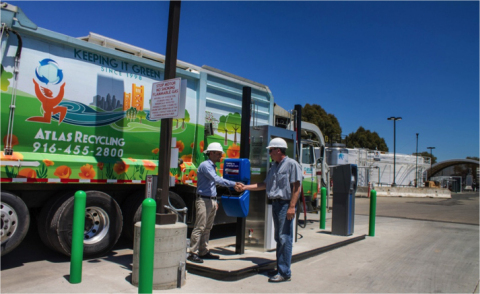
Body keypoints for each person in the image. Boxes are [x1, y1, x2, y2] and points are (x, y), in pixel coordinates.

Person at [235, 137, 302, 283]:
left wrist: (292, 207)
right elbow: (265, 185)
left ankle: (284, 273)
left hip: (285, 205)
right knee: (279, 238)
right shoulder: (274, 166)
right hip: (276, 204)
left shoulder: (292, 164)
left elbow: (296, 187)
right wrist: (245, 187)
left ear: (278, 150)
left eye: (271, 150)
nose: (270, 153)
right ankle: (280, 268)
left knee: (285, 238)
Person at [187, 142, 240, 263]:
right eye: (218, 154)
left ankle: (203, 251)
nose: (220, 156)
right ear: (211, 153)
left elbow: (212, 184)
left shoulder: (211, 166)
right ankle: (192, 252)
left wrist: (214, 200)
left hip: (210, 199)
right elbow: (216, 180)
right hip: (203, 200)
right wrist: (234, 184)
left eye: (220, 154)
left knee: (208, 227)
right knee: (200, 226)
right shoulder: (206, 165)